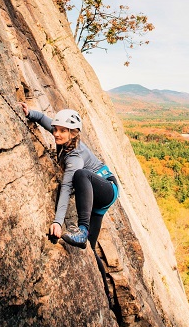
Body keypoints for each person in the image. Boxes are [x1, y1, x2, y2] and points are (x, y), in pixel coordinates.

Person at [19, 103, 119, 251]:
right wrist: (29, 113)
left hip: (107, 189)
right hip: (95, 195)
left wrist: (58, 222)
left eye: (62, 131)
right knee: (91, 250)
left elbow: (66, 188)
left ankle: (83, 230)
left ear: (73, 133)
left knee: (80, 174)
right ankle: (100, 273)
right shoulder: (64, 136)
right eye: (55, 129)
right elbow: (42, 118)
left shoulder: (75, 157)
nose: (56, 134)